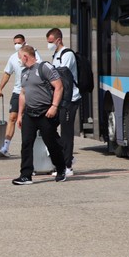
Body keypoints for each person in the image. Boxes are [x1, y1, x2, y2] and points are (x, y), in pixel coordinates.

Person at [12, 45, 66, 184]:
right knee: (26, 144)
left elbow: (59, 86)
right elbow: (23, 94)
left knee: (51, 143)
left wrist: (54, 106)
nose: (19, 60)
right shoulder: (24, 72)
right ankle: (26, 175)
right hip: (30, 114)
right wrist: (20, 115)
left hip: (45, 113)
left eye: (20, 57)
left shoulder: (44, 68)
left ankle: (61, 169)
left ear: (25, 56)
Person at [0, 34, 42, 157]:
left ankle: (40, 146)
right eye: (15, 43)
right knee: (12, 117)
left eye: (19, 42)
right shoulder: (12, 58)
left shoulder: (34, 55)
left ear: (24, 42)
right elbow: (7, 73)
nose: (17, 45)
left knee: (34, 119)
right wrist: (0, 88)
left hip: (31, 92)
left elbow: (40, 69)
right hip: (17, 92)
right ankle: (5, 147)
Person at [48, 27, 79, 176]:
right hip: (60, 99)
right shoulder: (56, 54)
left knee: (66, 132)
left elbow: (61, 76)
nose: (49, 44)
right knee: (47, 127)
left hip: (70, 99)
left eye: (51, 41)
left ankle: (67, 166)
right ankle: (68, 156)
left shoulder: (67, 55)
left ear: (58, 40)